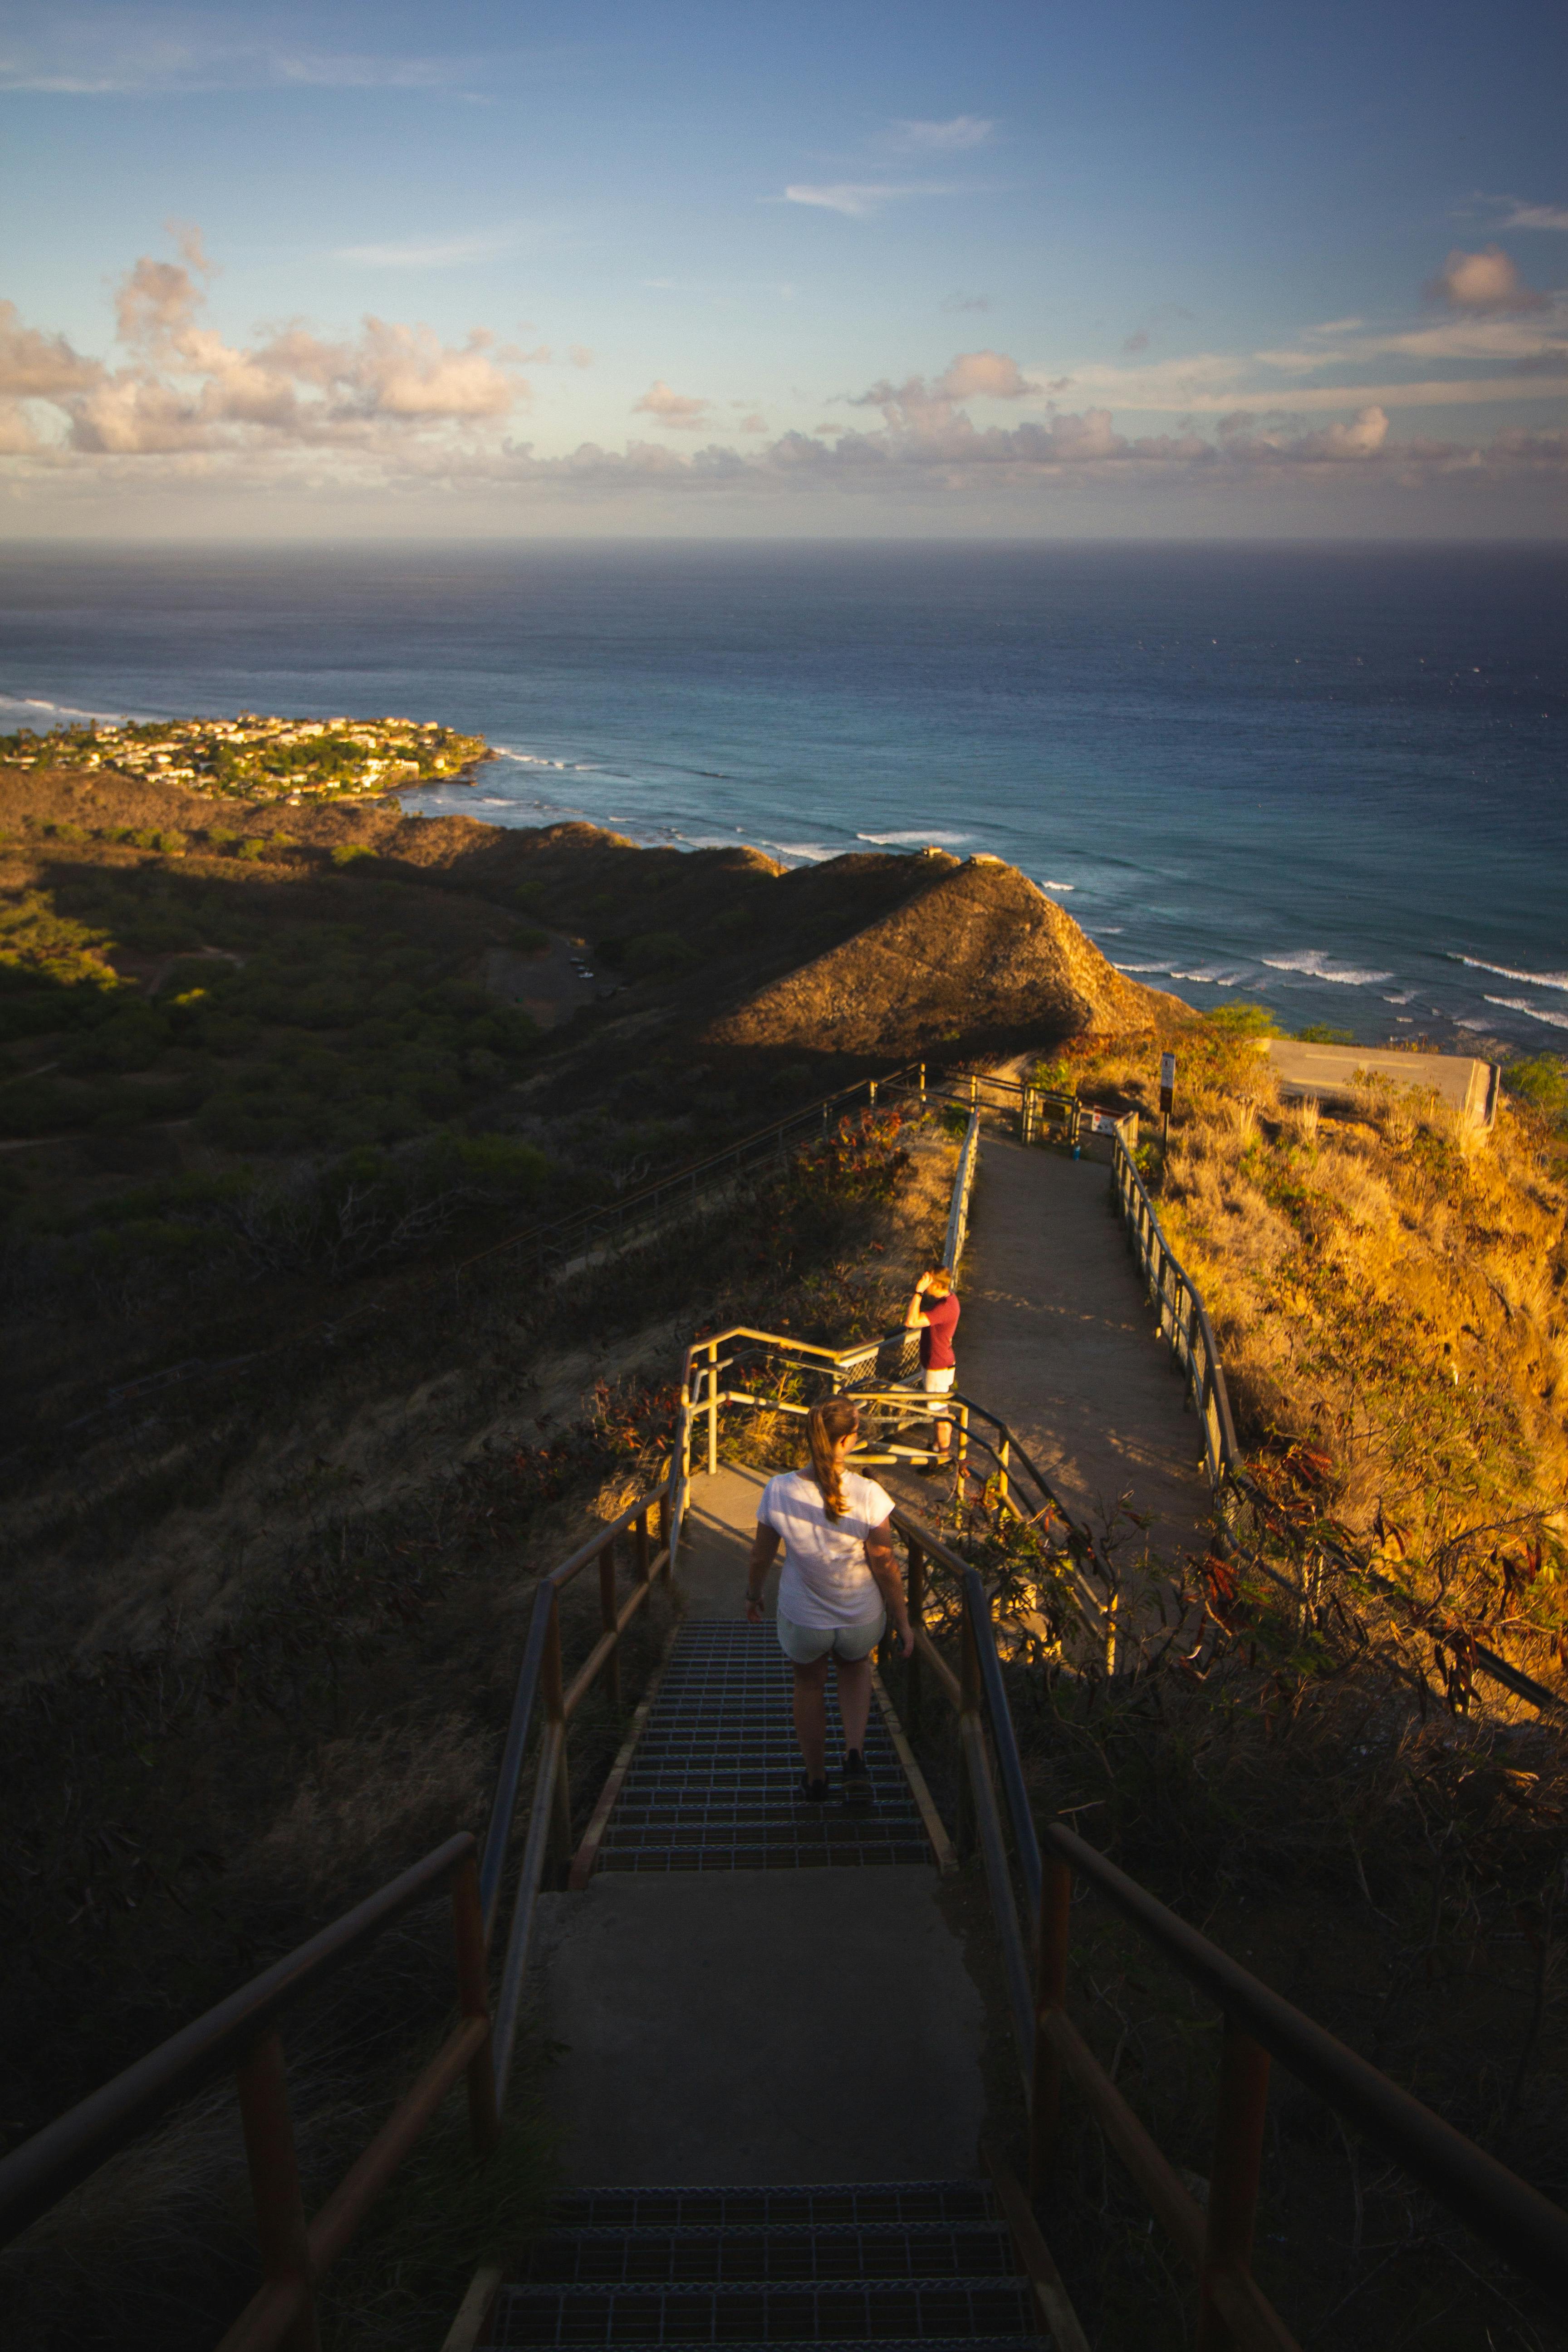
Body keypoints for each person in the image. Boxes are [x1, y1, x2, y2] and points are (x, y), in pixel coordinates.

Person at [746, 1396, 914, 1805]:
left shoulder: (778, 1489)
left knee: (808, 1686)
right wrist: (903, 1620)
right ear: (848, 1441)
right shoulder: (869, 1493)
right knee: (855, 1671)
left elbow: (761, 1555)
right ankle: (854, 1757)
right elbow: (885, 1563)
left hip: (805, 1620)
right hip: (860, 1617)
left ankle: (817, 1780)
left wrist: (754, 1596)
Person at [904, 1264, 960, 1471]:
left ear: (936, 1285)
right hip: (940, 1362)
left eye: (928, 1281)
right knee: (940, 1410)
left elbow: (912, 1321)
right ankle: (938, 1447)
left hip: (937, 1366)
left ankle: (943, 1458)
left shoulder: (945, 1307)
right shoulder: (949, 1301)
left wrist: (918, 1292)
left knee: (940, 1412)